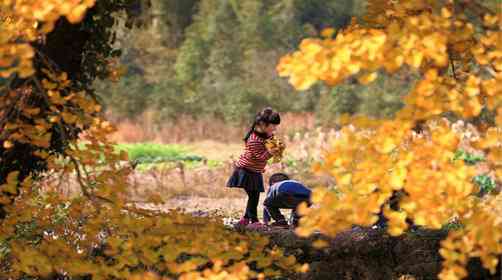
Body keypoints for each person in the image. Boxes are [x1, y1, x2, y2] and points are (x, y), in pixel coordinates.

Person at [226, 107, 281, 227]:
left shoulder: (266, 135)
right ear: (262, 124)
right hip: (245, 171)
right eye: (273, 126)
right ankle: (254, 220)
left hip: (254, 170)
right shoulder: (254, 140)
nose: (275, 129)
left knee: (253, 196)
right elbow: (261, 157)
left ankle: (245, 219)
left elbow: (268, 148)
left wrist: (277, 146)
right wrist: (272, 152)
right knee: (253, 196)